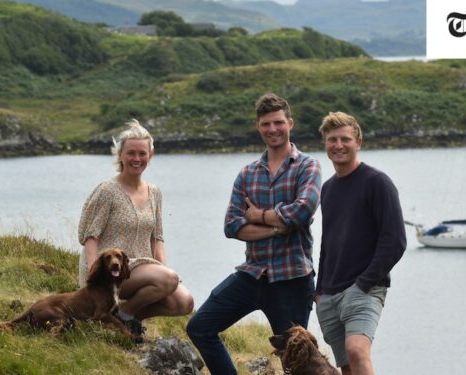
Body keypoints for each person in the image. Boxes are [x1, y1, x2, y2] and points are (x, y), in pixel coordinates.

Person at [186, 93, 321, 374]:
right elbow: (231, 226)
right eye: (266, 124)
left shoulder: (308, 166)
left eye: (278, 122)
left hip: (292, 278)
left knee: (297, 362)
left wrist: (257, 216)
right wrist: (277, 227)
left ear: (290, 123)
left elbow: (301, 213)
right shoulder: (247, 173)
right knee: (200, 327)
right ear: (258, 127)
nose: (272, 129)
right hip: (252, 274)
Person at [78, 119, 194, 336]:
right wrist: (95, 275)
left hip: (142, 268)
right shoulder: (107, 191)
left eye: (142, 154)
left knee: (184, 302)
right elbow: (89, 236)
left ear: (150, 156)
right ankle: (121, 318)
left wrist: (165, 273)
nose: (137, 159)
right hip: (109, 270)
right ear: (120, 155)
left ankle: (123, 316)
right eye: (131, 153)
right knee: (167, 279)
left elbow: (157, 238)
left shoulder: (155, 192)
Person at [315, 112, 406, 375]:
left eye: (345, 139)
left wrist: (363, 283)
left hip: (365, 289)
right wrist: (320, 291)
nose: (339, 145)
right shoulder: (328, 189)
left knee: (357, 351)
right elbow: (327, 243)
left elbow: (395, 240)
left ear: (359, 143)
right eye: (332, 140)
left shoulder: (377, 182)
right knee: (346, 368)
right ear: (326, 144)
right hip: (329, 295)